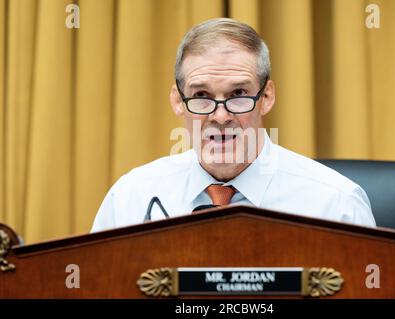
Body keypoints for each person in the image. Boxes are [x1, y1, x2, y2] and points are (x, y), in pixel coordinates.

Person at [91, 18, 376, 232]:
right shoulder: (131, 198)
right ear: (178, 101)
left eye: (238, 94)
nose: (220, 116)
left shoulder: (336, 205)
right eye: (201, 95)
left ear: (266, 97)